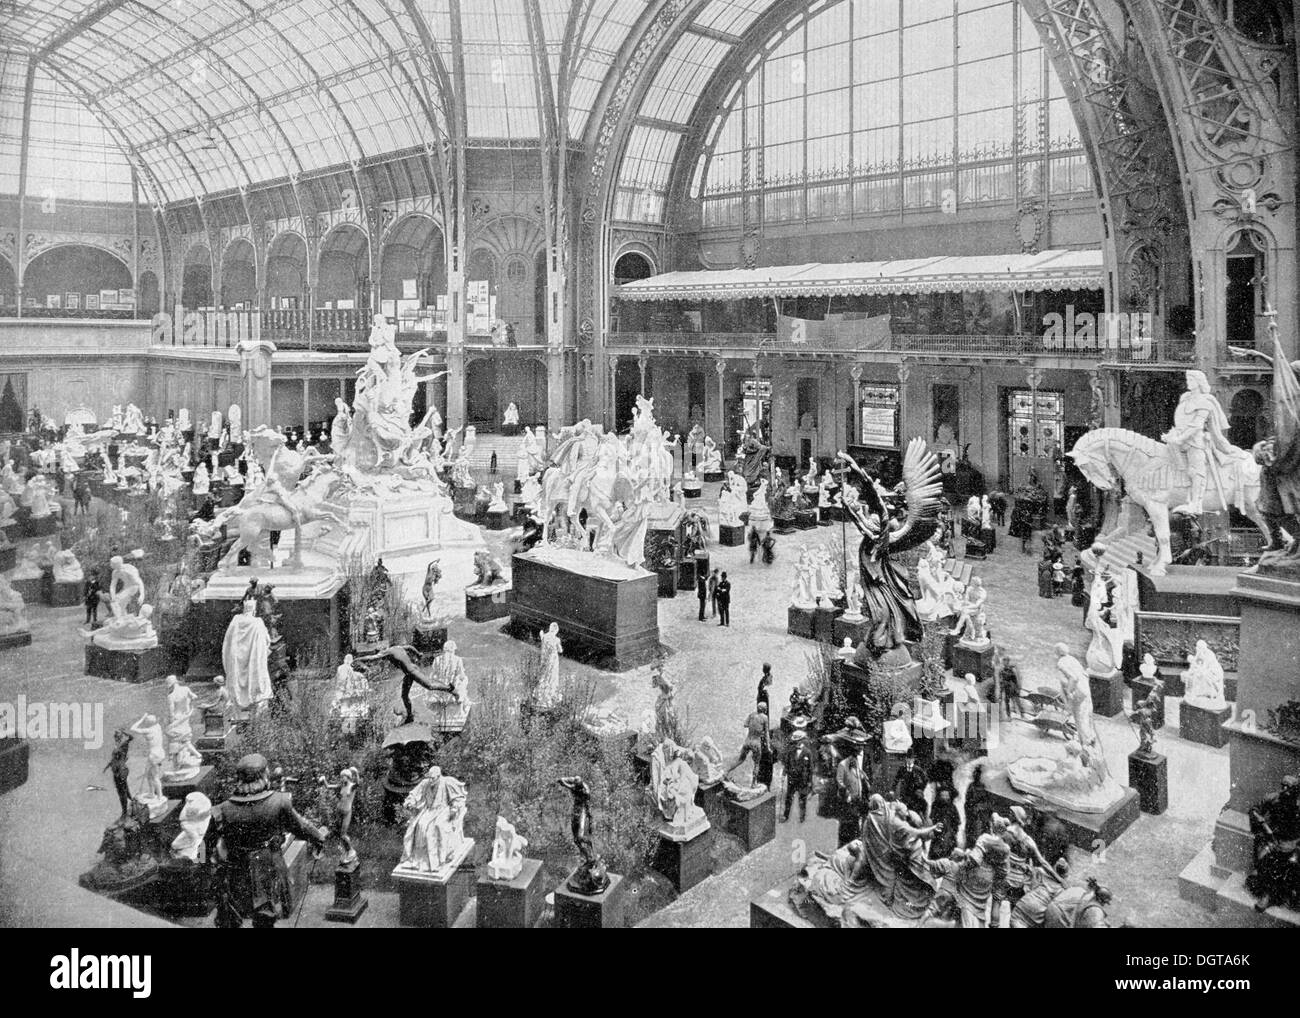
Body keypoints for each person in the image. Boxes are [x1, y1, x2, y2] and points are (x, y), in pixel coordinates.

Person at [207, 753, 327, 928]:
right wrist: (319, 838)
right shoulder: (280, 802)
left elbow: (207, 844)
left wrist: (210, 862)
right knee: (266, 914)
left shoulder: (223, 809)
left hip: (237, 870)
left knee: (239, 908)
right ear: (263, 776)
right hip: (269, 866)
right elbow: (301, 827)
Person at [1246, 774, 1300, 913]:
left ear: (1296, 790)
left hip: (1293, 842)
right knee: (1265, 857)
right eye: (1283, 786)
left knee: (1291, 862)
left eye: (1289, 788)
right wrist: (1265, 826)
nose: (1284, 790)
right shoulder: (1273, 798)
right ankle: (1267, 894)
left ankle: (1286, 894)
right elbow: (1254, 810)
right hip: (1273, 839)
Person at [1010, 858, 1071, 928]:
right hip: (1037, 914)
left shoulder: (1041, 872)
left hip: (1024, 905)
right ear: (1066, 875)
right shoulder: (1063, 889)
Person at [1043, 875, 1114, 928]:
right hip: (1057, 916)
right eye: (1105, 902)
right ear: (1100, 900)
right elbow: (1096, 924)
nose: (1104, 904)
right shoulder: (1094, 909)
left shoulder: (1084, 891)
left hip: (1052, 907)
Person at [783, 729, 814, 823]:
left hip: (802, 780)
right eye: (794, 741)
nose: (796, 743)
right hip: (792, 779)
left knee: (802, 799)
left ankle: (802, 817)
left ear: (801, 741)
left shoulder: (808, 752)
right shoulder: (790, 751)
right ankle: (786, 815)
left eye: (797, 741)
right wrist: (784, 774)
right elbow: (787, 764)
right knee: (788, 798)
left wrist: (809, 781)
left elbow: (810, 768)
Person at [893, 750, 929, 819]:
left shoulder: (918, 769)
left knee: (916, 807)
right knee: (904, 808)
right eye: (908, 759)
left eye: (911, 759)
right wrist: (893, 789)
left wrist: (921, 789)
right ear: (906, 759)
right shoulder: (902, 769)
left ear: (914, 760)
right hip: (905, 792)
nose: (909, 761)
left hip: (915, 792)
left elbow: (925, 780)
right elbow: (896, 779)